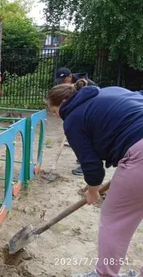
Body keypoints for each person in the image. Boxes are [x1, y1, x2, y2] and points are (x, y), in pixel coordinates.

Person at [46, 79, 143, 277]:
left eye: (54, 111)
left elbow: (91, 166)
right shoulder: (107, 91)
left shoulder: (73, 118)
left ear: (64, 102)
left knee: (115, 218)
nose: (57, 116)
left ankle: (104, 274)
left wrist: (92, 190)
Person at [55, 67, 97, 176]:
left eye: (64, 81)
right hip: (85, 113)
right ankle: (85, 159)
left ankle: (86, 165)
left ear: (70, 76)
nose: (63, 83)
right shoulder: (71, 84)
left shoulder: (83, 84)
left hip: (92, 113)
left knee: (83, 138)